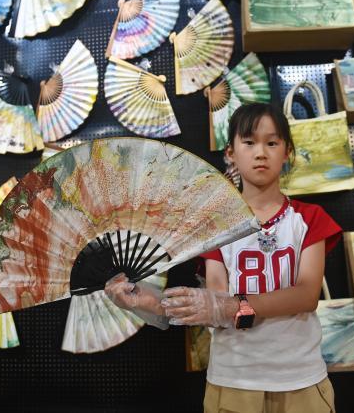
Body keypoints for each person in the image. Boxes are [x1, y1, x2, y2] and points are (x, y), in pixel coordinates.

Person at [106, 103, 341, 413]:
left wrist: (232, 306)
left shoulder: (310, 219)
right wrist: (147, 302)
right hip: (233, 379)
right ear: (230, 152)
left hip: (301, 378)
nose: (261, 153)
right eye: (249, 142)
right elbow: (214, 304)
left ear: (287, 152)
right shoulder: (214, 226)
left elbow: (306, 295)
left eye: (272, 143)